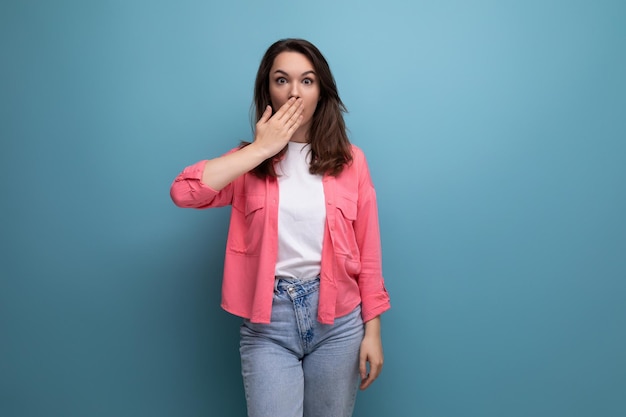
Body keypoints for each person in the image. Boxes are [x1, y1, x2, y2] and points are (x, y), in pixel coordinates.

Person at [170, 38, 390, 417]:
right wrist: (260, 149)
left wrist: (373, 331)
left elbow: (368, 252)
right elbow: (184, 192)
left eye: (307, 81)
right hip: (268, 324)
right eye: (281, 79)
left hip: (338, 323)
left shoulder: (352, 162)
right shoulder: (247, 163)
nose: (294, 92)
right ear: (268, 89)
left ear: (321, 91)